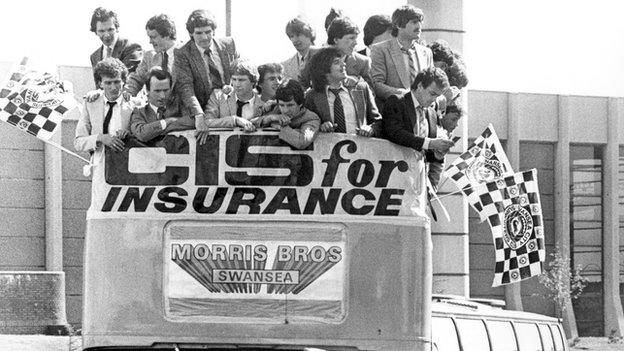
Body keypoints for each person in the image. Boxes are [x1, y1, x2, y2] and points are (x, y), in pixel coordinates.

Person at [382, 66, 454, 192]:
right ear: (420, 86)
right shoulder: (397, 101)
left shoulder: (432, 114)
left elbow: (428, 155)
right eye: (432, 93)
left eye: (437, 96)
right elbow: (394, 133)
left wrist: (438, 152)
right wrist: (429, 143)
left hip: (418, 183)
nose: (434, 99)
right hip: (393, 179)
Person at [173, 9, 240, 124]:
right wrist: (198, 114)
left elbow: (241, 71)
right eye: (199, 33)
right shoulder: (183, 52)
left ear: (214, 31)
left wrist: (231, 87)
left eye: (208, 32)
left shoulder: (229, 44)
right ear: (190, 33)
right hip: (201, 111)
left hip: (230, 107)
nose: (204, 37)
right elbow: (185, 87)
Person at [305, 47, 381, 138]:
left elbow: (377, 122)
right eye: (337, 62)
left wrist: (370, 129)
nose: (343, 64)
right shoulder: (312, 96)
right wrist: (321, 127)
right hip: (330, 149)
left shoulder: (361, 88)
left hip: (361, 148)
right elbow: (307, 124)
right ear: (323, 69)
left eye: (342, 61)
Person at [370, 5, 433, 104]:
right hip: (396, 113)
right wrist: (407, 96)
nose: (419, 26)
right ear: (399, 25)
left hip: (422, 114)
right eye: (414, 22)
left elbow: (432, 84)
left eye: (420, 21)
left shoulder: (426, 52)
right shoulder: (380, 49)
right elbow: (377, 85)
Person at [75, 58, 134, 158]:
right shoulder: (90, 104)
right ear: (100, 84)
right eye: (108, 83)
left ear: (124, 81)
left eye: (117, 82)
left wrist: (128, 135)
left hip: (126, 166)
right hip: (100, 166)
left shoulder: (133, 105)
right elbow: (78, 143)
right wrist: (100, 138)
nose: (113, 87)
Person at [196, 60, 262, 141]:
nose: (237, 84)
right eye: (234, 79)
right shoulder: (219, 96)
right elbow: (206, 121)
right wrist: (234, 120)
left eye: (241, 80)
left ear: (253, 81)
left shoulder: (263, 102)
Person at [300, 17, 371, 88]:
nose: (355, 43)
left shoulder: (363, 62)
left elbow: (371, 92)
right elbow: (303, 83)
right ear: (336, 39)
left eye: (356, 38)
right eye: (351, 38)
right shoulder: (314, 54)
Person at [252, 79, 320, 149]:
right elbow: (251, 123)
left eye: (290, 105)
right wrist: (271, 118)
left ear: (300, 104)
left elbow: (301, 142)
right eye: (282, 105)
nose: (285, 110)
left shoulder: (311, 118)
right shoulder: (275, 108)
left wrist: (280, 126)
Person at [130, 68, 194, 142]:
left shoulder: (179, 106)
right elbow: (142, 134)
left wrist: (154, 131)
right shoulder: (139, 112)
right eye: (157, 91)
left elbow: (193, 122)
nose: (162, 96)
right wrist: (168, 121)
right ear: (147, 91)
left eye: (166, 90)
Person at [125, 14, 179, 96]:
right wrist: (128, 93)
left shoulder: (187, 53)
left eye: (153, 37)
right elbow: (136, 79)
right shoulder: (149, 56)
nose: (150, 41)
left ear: (167, 35)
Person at [89, 7, 143, 74]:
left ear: (117, 28)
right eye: (101, 31)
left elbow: (129, 80)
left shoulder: (132, 49)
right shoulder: (94, 57)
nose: (107, 35)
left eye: (110, 30)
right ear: (95, 32)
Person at [282, 17, 316, 81]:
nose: (295, 40)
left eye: (298, 35)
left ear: (309, 34)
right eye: (291, 36)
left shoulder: (326, 56)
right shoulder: (285, 67)